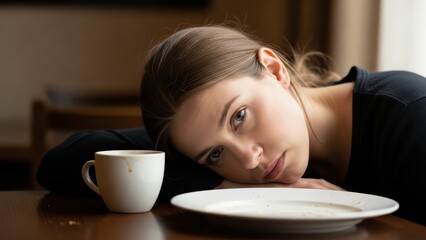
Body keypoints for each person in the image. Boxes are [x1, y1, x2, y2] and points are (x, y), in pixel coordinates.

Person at [38, 24, 426, 225]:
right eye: (216, 154)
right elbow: (60, 161)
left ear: (273, 70)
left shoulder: (410, 116)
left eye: (239, 116)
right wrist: (222, 183)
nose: (250, 160)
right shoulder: (219, 154)